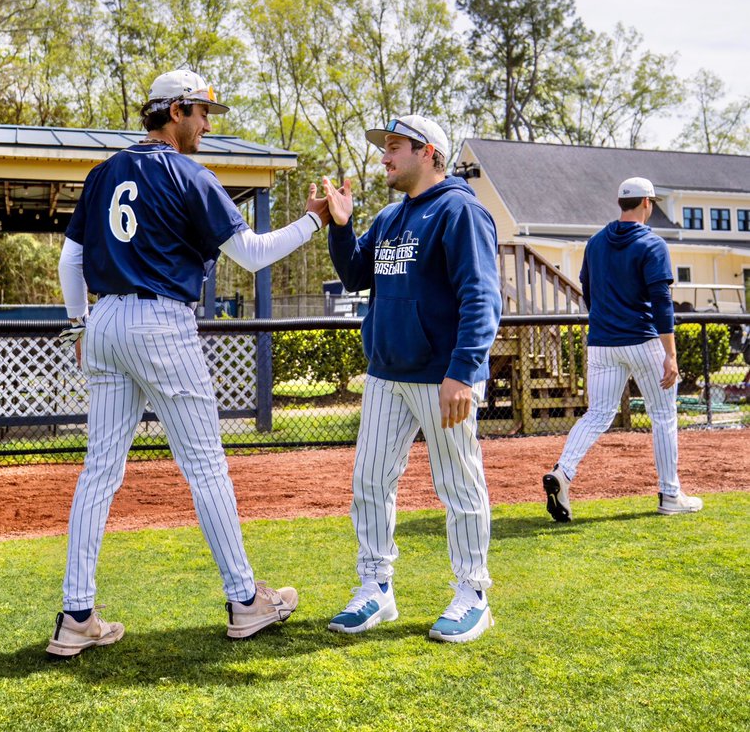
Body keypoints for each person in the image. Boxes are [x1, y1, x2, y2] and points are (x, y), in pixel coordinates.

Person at [47, 69, 330, 658]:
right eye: (202, 113)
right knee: (205, 466)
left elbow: (71, 260)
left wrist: (78, 324)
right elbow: (250, 256)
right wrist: (314, 221)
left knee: (99, 471)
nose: (207, 124)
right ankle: (245, 600)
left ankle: (77, 616)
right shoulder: (187, 171)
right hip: (160, 322)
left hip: (103, 322)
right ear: (174, 111)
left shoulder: (102, 174)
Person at [321, 115, 501, 645]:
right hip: (386, 374)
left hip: (442, 375)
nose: (384, 157)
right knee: (370, 482)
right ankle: (376, 587)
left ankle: (473, 593)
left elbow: (482, 298)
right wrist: (341, 223)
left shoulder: (461, 210)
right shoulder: (389, 217)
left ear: (428, 153)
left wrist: (463, 372)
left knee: (458, 483)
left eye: (394, 147)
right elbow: (356, 275)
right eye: (384, 148)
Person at [543, 176, 703, 522]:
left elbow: (587, 291)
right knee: (662, 417)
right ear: (646, 202)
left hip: (602, 342)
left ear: (621, 203)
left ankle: (563, 472)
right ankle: (670, 494)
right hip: (644, 341)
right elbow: (661, 301)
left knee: (598, 414)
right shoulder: (652, 244)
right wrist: (671, 354)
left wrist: (605, 319)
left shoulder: (596, 242)